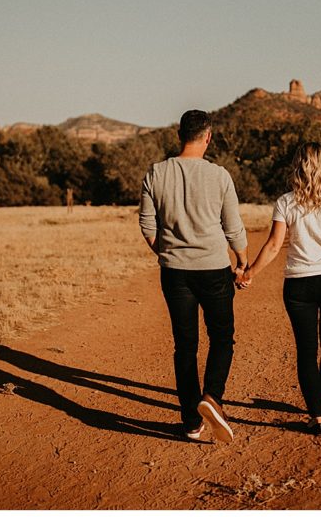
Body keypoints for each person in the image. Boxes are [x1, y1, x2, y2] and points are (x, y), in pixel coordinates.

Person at [239, 142, 321, 436]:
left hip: (300, 283)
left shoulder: (286, 202)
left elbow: (273, 246)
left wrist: (249, 274)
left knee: (307, 351)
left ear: (298, 166)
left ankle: (316, 417)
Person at [139, 109, 248, 442]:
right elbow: (233, 228)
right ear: (208, 136)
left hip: (175, 273)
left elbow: (147, 225)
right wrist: (242, 261)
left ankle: (190, 422)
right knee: (222, 338)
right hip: (214, 268)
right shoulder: (219, 176)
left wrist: (168, 253)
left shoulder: (155, 173)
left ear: (179, 135)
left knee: (184, 345)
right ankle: (212, 396)